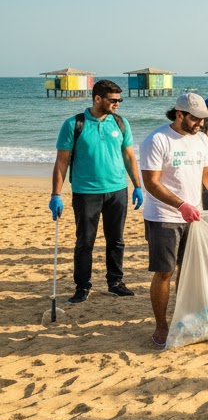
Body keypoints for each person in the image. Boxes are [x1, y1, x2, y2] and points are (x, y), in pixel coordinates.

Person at [140, 93, 208, 348]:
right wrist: (180, 205)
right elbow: (151, 183)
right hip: (164, 216)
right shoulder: (157, 140)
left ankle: (183, 318)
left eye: (203, 119)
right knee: (165, 271)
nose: (200, 124)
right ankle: (161, 326)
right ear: (179, 114)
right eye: (195, 119)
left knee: (188, 270)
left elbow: (207, 174)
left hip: (194, 215)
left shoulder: (201, 139)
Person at [50, 79, 144, 303]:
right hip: (86, 192)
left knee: (117, 240)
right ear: (97, 98)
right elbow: (61, 163)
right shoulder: (74, 124)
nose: (117, 103)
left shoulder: (120, 123)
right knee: (85, 242)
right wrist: (56, 194)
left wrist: (138, 186)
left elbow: (129, 156)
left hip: (117, 191)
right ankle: (82, 287)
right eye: (113, 100)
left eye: (120, 100)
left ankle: (115, 282)